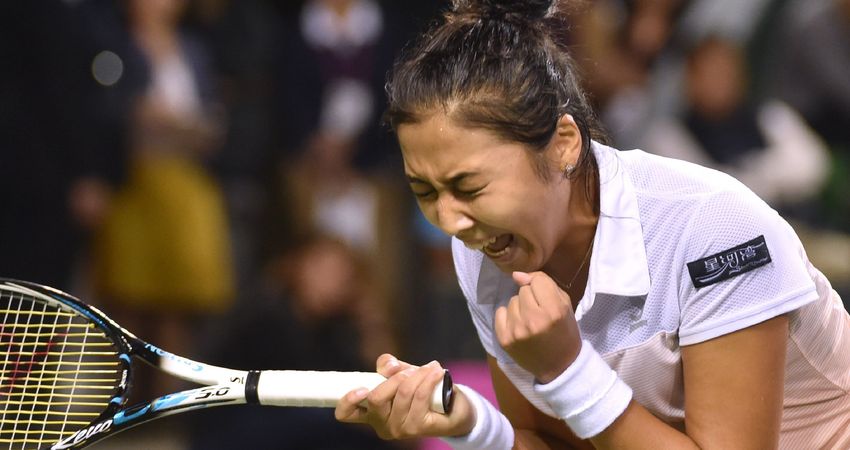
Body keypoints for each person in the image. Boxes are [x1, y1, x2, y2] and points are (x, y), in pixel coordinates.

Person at [333, 0, 850, 448]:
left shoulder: (714, 229)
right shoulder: (484, 246)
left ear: (563, 143)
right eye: (425, 192)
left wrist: (567, 370)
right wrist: (468, 422)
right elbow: (556, 443)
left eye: (469, 187)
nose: (449, 220)